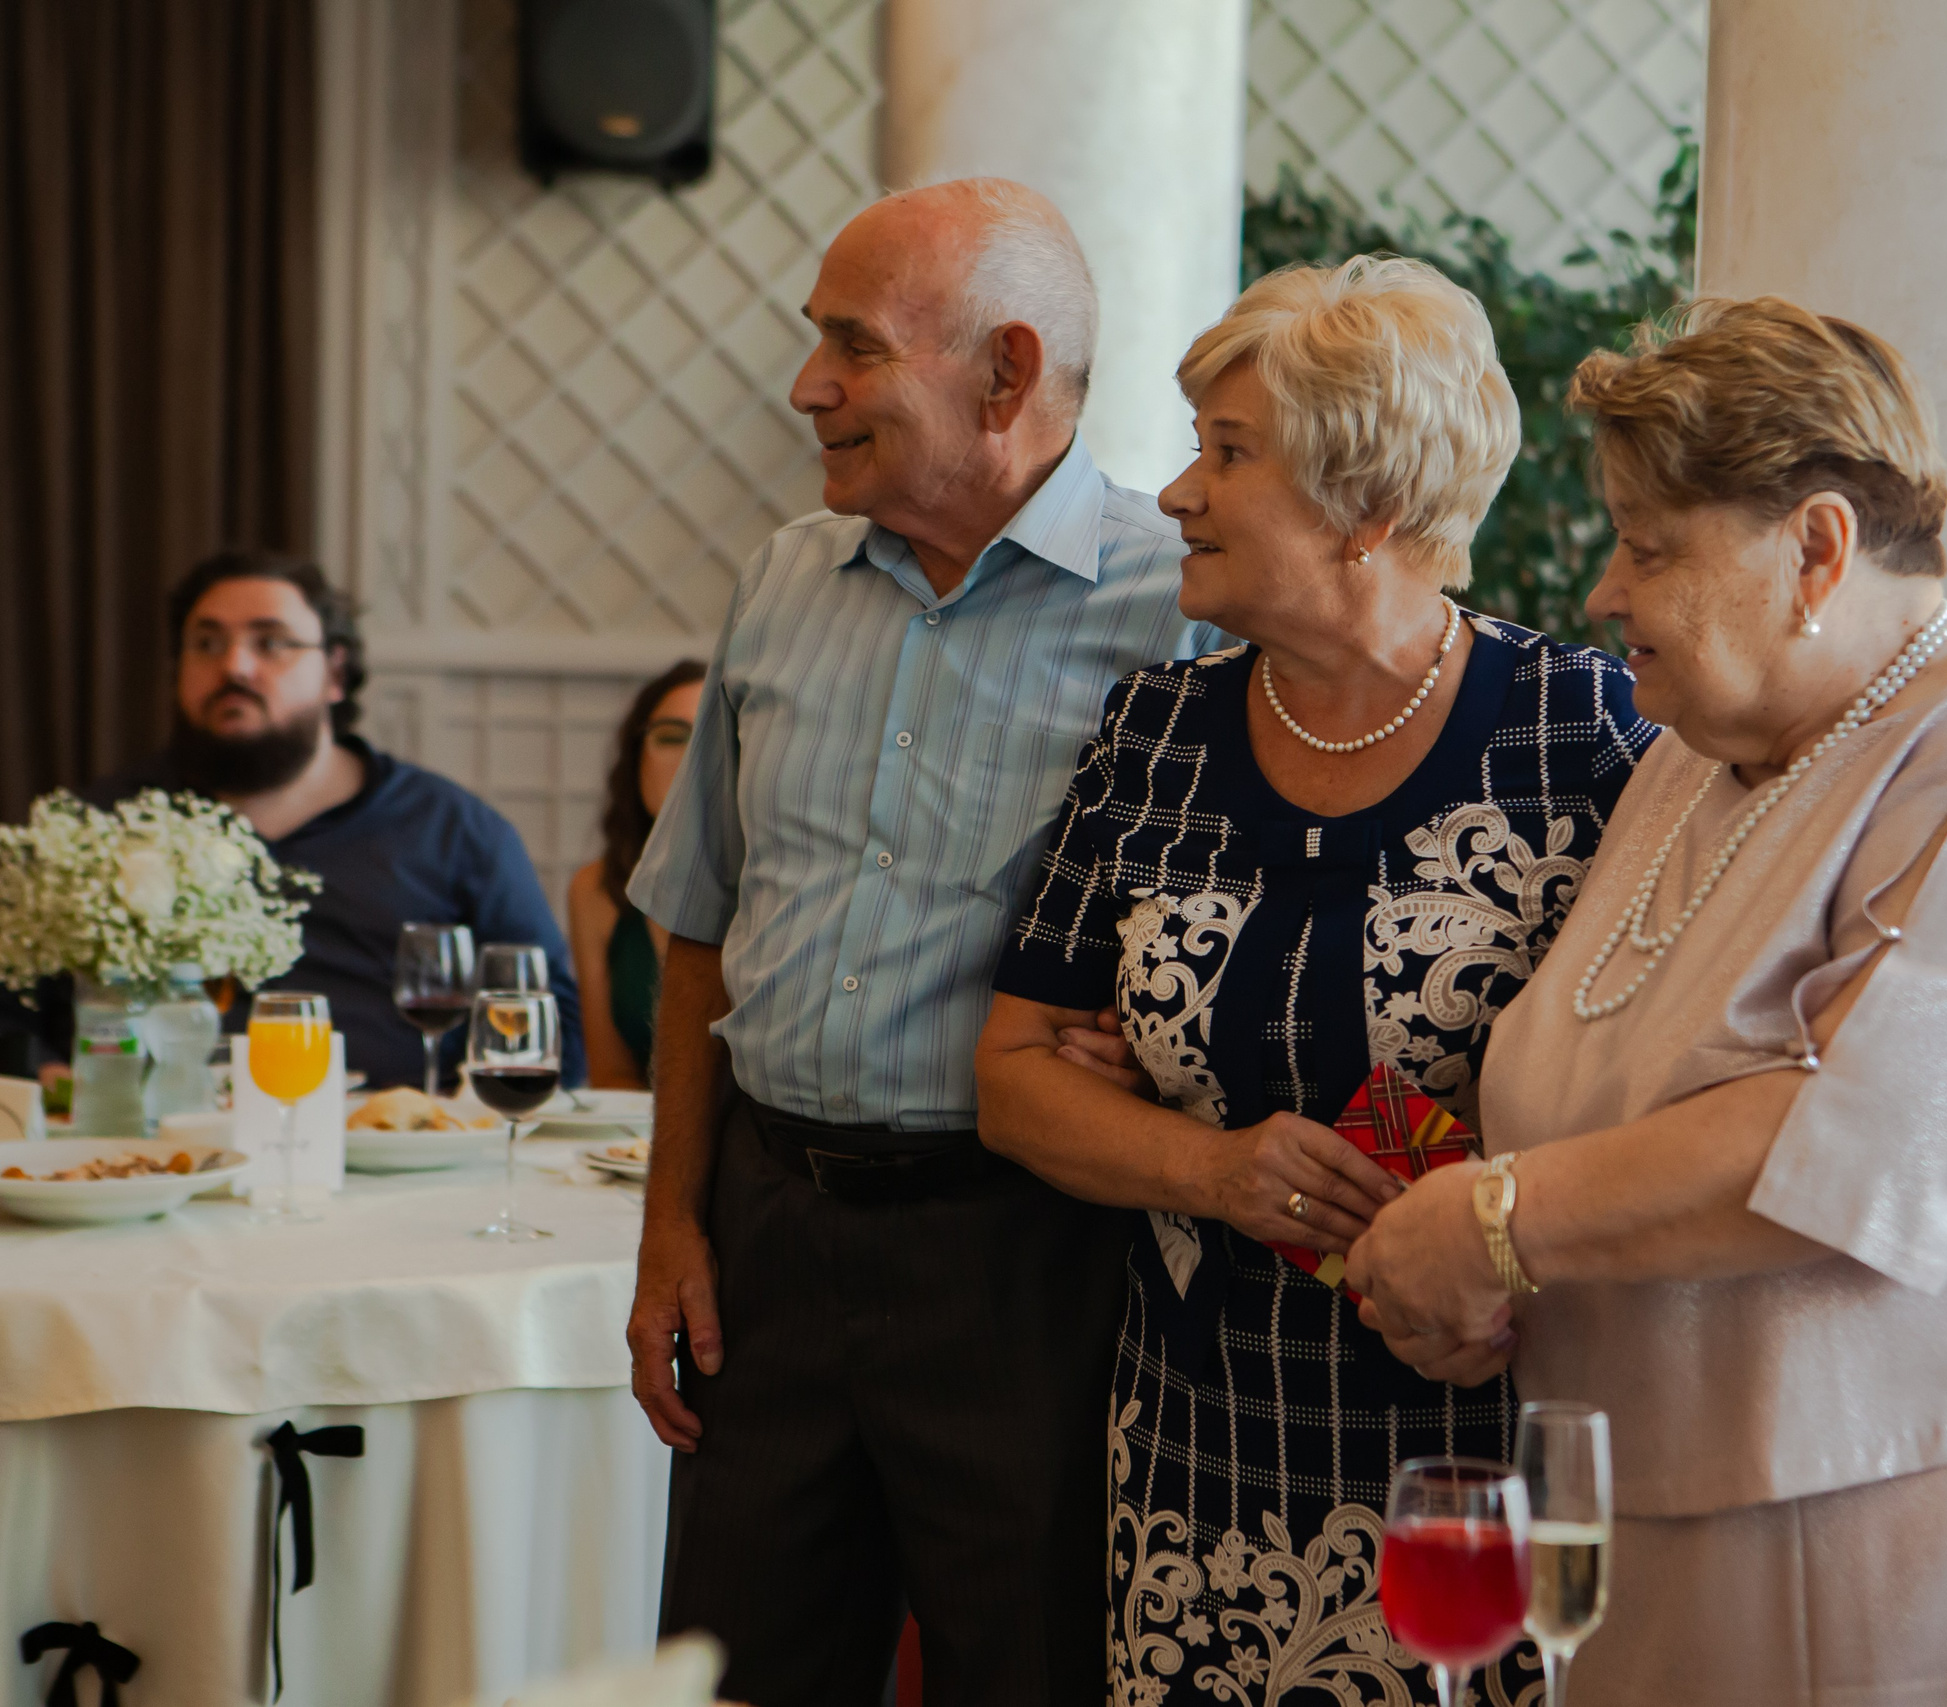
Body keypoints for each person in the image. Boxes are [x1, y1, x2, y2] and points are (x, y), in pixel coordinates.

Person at [1345, 296, 1947, 1705]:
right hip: (1690, 1512)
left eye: (1650, 547)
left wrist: (1496, 1222)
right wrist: (1490, 1265)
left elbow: (1854, 1146)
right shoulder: (1692, 756)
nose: (1603, 590)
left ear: (1818, 548)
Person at [974, 255, 1656, 1705]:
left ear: (1370, 509)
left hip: (1479, 1439)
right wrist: (1207, 1164)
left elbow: (1660, 1077)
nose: (1175, 494)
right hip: (1199, 1439)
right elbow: (1017, 1080)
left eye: (1228, 455)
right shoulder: (1154, 729)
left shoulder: (1574, 731)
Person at [622, 178, 1212, 1707]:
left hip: (1026, 1257)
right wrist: (670, 1224)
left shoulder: (1183, 610)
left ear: (1005, 373)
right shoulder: (779, 579)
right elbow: (699, 920)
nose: (808, 385)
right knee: (736, 1675)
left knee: (1032, 1672)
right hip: (766, 1233)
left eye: (851, 346)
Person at [76, 549, 583, 1091]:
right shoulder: (108, 820)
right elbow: (22, 1015)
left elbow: (553, 1030)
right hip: (153, 1155)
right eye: (207, 643)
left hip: (406, 1154)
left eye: (270, 642)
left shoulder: (451, 829)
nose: (234, 666)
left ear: (335, 674)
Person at [566, 660, 705, 1088]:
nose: (691, 760)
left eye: (716, 741)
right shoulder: (594, 890)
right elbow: (612, 1077)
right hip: (641, 1145)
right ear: (635, 757)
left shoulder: (781, 887)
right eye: (671, 736)